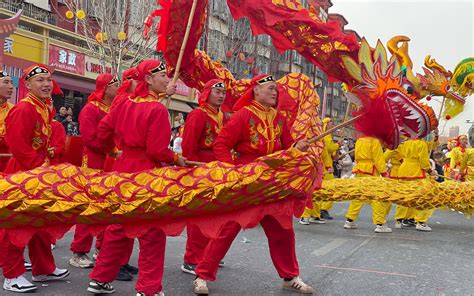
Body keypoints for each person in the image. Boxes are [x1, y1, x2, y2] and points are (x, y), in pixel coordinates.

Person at [192, 74, 314, 295]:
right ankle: (202, 275)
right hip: (247, 180)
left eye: (276, 89)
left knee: (283, 230)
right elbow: (222, 144)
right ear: (256, 91)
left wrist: (298, 146)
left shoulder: (278, 119)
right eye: (270, 88)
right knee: (228, 229)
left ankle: (290, 276)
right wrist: (232, 170)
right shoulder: (242, 115)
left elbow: (287, 147)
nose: (274, 92)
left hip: (272, 182)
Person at [88, 59, 185, 296]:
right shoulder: (157, 109)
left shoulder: (123, 103)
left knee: (118, 226)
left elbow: (103, 131)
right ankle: (149, 288)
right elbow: (156, 150)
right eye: (162, 75)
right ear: (149, 80)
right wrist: (175, 159)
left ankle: (100, 279)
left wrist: (114, 150)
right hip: (145, 172)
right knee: (151, 232)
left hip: (122, 169)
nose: (166, 79)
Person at [2, 64, 69, 293]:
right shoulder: (24, 109)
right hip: (23, 173)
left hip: (38, 171)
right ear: (27, 85)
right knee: (17, 225)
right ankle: (12, 275)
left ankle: (43, 267)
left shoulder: (44, 108)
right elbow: (19, 147)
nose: (46, 84)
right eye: (39, 80)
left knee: (40, 223)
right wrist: (40, 169)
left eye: (48, 79)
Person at [69, 74, 120, 271]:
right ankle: (79, 251)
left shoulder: (115, 108)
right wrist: (111, 149)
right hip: (94, 161)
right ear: (105, 88)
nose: (119, 88)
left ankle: (102, 248)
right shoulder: (90, 109)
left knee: (108, 206)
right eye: (116, 85)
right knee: (89, 207)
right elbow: (90, 139)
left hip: (111, 159)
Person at [180, 79, 228, 275]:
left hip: (218, 170)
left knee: (215, 216)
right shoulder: (198, 114)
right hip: (200, 169)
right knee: (199, 217)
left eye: (224, 92)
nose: (222, 95)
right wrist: (193, 172)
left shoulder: (223, 116)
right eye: (217, 92)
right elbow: (189, 145)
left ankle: (209, 254)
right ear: (207, 93)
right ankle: (191, 259)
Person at [343, 135, 392, 233]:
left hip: (360, 169)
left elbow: (356, 157)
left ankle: (349, 220)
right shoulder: (374, 141)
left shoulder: (360, 140)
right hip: (370, 171)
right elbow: (378, 158)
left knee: (358, 196)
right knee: (376, 197)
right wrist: (384, 172)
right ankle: (380, 223)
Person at [396, 136, 435, 231]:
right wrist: (430, 171)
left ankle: (399, 220)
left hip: (404, 170)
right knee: (421, 197)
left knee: (404, 196)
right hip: (416, 172)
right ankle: (421, 222)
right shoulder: (421, 144)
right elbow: (424, 161)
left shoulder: (405, 143)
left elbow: (399, 155)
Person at [319, 118, 340, 220]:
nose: (333, 124)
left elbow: (330, 152)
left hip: (326, 165)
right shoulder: (326, 135)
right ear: (326, 124)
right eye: (331, 122)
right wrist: (338, 144)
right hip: (325, 167)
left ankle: (320, 209)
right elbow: (330, 148)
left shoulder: (326, 135)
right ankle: (323, 209)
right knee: (330, 188)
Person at [0, 70, 14, 172]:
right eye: (6, 82)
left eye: (11, 82)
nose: (11, 86)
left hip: (7, 161)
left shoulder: (14, 109)